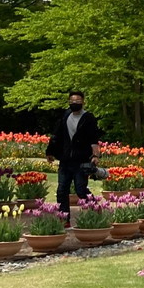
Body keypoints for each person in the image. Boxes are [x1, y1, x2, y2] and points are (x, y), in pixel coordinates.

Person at [45, 90, 102, 221]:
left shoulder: (89, 118)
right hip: (65, 160)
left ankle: (96, 210)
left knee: (81, 190)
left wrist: (95, 156)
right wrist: (50, 152)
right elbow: (56, 135)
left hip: (81, 160)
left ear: (83, 102)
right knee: (61, 190)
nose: (74, 103)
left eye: (77, 101)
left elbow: (94, 139)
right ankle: (64, 219)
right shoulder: (65, 116)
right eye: (72, 101)